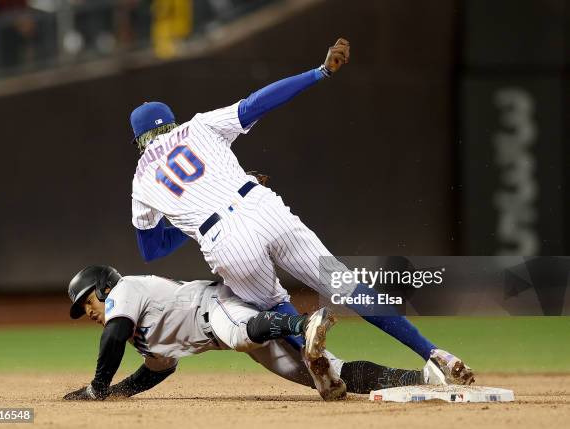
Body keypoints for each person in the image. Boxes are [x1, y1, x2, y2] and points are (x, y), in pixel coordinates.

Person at [128, 38, 475, 385]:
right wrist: (319, 72)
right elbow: (256, 103)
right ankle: (433, 352)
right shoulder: (198, 126)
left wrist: (187, 222)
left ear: (140, 141)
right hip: (260, 205)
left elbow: (152, 249)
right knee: (342, 283)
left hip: (222, 239)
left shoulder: (141, 181)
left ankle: (318, 358)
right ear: (171, 124)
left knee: (275, 306)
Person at [63, 265, 445, 401]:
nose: (88, 312)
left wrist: (96, 388)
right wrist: (113, 394)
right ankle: (421, 378)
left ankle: (303, 322)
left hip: (217, 304)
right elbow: (158, 370)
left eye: (87, 303)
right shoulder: (141, 336)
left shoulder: (125, 290)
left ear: (103, 288)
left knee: (242, 335)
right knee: (325, 374)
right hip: (225, 328)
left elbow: (112, 337)